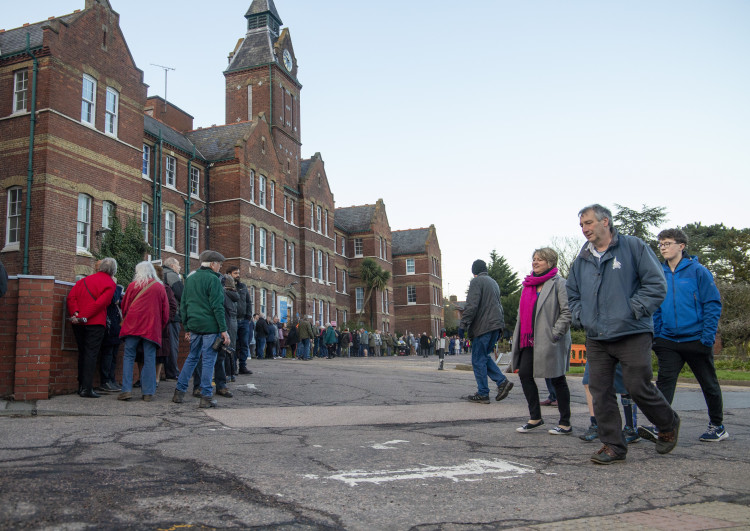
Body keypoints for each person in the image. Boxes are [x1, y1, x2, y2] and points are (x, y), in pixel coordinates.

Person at [567, 204, 679, 464]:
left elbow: (655, 284)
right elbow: (572, 294)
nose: (585, 229)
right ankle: (613, 446)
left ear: (605, 221)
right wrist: (582, 316)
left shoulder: (633, 247)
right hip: (597, 336)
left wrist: (633, 309)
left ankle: (668, 422)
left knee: (637, 385)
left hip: (632, 331)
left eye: (589, 223)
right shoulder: (581, 259)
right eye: (582, 225)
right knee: (600, 390)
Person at [641, 228, 726, 442]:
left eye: (667, 243)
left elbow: (712, 303)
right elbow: (656, 306)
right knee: (664, 384)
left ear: (681, 246)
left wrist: (707, 337)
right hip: (668, 340)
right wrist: (658, 336)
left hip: (696, 338)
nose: (663, 247)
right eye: (660, 244)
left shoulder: (698, 271)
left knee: (709, 384)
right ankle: (661, 426)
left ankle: (717, 426)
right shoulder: (658, 273)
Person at [510, 248, 572, 434]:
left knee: (557, 379)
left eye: (540, 260)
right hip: (528, 341)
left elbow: (567, 312)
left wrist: (555, 334)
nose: (535, 262)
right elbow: (522, 315)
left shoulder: (559, 283)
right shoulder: (527, 285)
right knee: (525, 374)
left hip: (550, 340)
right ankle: (535, 417)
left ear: (551, 263)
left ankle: (565, 423)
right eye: (534, 259)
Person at [172, 250, 230, 408]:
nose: (220, 267)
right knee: (209, 360)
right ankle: (206, 397)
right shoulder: (214, 280)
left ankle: (179, 392)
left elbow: (183, 305)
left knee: (192, 358)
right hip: (210, 326)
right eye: (219, 264)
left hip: (194, 325)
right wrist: (223, 330)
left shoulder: (190, 279)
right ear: (212, 264)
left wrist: (188, 327)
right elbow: (217, 307)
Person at [458, 259, 513, 404]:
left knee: (477, 359)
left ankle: (483, 393)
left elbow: (471, 305)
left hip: (483, 327)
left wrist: (463, 324)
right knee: (484, 357)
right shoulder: (493, 283)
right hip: (495, 326)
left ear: (474, 272)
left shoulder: (476, 282)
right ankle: (502, 382)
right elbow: (497, 305)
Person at [118, 262, 170, 402]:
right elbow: (165, 311)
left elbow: (124, 306)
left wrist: (126, 319)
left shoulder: (132, 286)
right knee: (149, 358)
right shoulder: (159, 287)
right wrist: (160, 326)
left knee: (128, 357)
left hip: (132, 325)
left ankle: (126, 390)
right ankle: (148, 392)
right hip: (151, 327)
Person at [67, 257, 117, 398]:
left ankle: (81, 385)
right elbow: (100, 304)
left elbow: (71, 297)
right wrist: (84, 316)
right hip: (95, 322)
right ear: (113, 271)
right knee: (91, 354)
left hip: (78, 322)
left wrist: (76, 314)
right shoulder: (110, 283)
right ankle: (87, 388)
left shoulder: (83, 280)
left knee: (82, 353)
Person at [96, 283, 124, 393]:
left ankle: (111, 379)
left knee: (112, 356)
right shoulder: (111, 290)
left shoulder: (115, 291)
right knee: (108, 355)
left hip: (115, 328)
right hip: (110, 328)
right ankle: (105, 380)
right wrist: (116, 287)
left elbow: (120, 301)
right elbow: (114, 299)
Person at [228, 266, 253, 375]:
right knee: (232, 344)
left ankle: (243, 366)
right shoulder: (226, 287)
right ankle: (233, 367)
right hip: (232, 319)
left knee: (244, 344)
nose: (237, 275)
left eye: (238, 273)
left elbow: (248, 302)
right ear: (229, 274)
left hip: (243, 320)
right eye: (235, 273)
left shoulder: (243, 287)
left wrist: (248, 316)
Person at [162, 257, 184, 380]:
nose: (179, 267)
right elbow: (182, 294)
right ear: (171, 265)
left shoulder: (159, 275)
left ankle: (163, 371)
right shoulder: (172, 275)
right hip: (173, 315)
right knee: (172, 344)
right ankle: (172, 372)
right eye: (178, 265)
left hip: (160, 315)